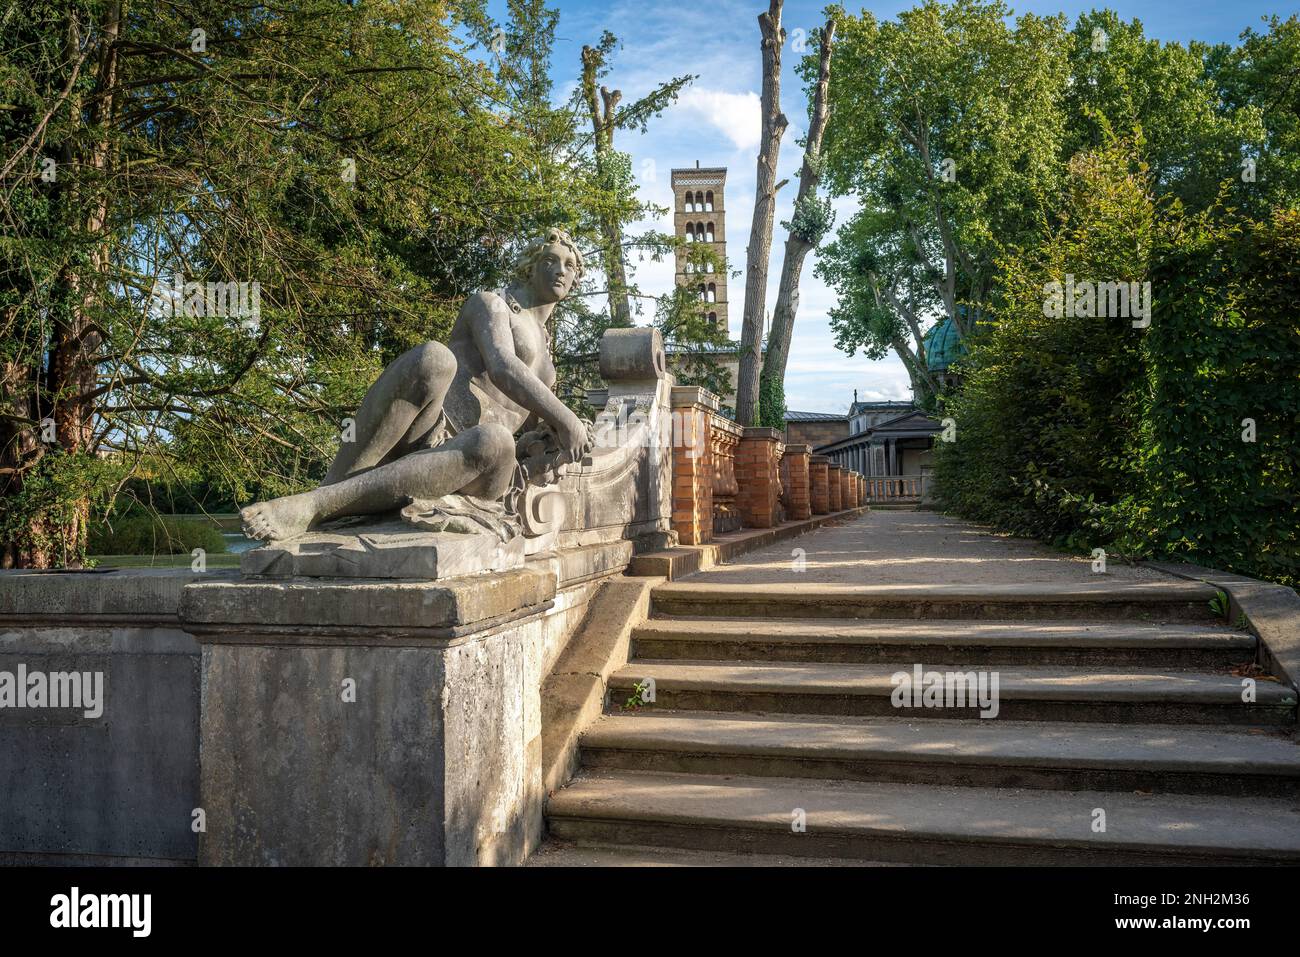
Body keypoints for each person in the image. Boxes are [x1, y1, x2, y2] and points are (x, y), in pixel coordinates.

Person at [241, 228, 590, 543]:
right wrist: (566, 418)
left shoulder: (548, 360)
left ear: (576, 279)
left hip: (482, 465)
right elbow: (502, 366)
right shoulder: (491, 304)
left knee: (497, 439)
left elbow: (523, 434)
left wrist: (551, 436)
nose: (561, 270)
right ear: (530, 265)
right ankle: (327, 496)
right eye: (550, 260)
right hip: (425, 430)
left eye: (570, 265)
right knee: (435, 357)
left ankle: (321, 505)